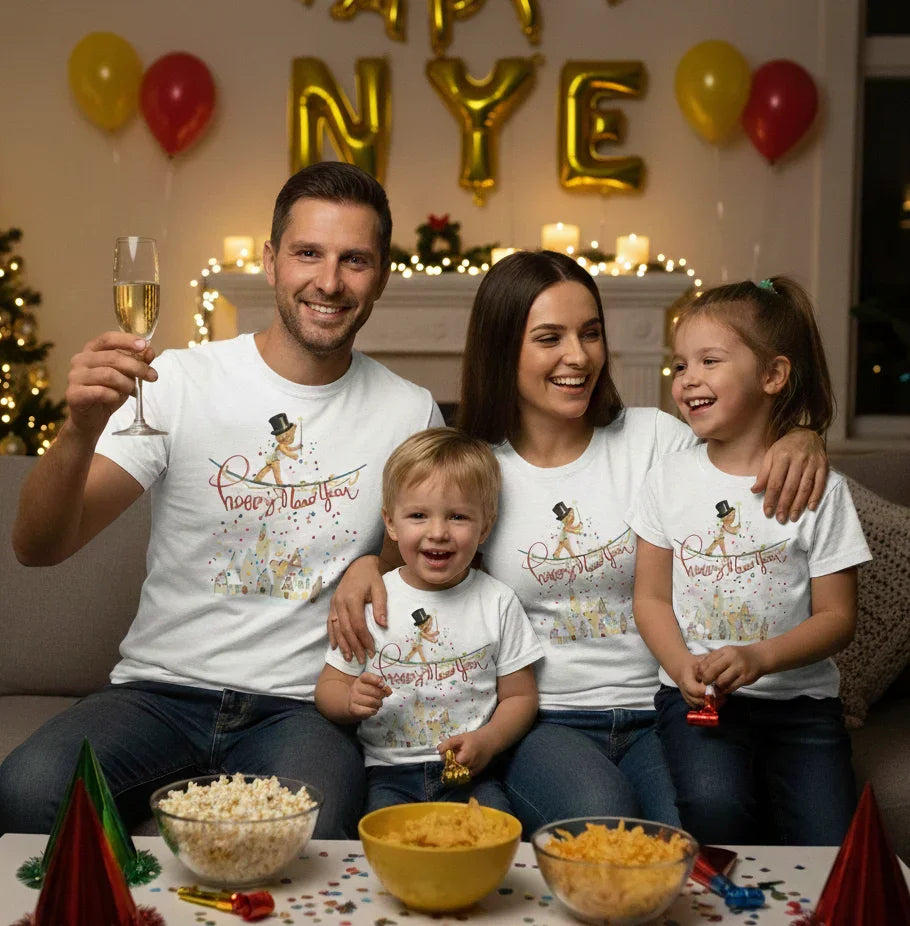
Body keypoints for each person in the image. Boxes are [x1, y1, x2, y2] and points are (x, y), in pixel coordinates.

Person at [0, 162, 443, 840]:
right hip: (159, 692)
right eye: (308, 253)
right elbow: (38, 545)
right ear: (270, 261)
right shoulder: (179, 380)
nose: (329, 280)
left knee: (315, 826)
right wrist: (79, 429)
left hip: (299, 709)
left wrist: (371, 565)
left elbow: (431, 554)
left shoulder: (409, 410)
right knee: (26, 791)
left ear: (379, 275)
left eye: (355, 260)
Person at [330, 251, 829, 838]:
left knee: (685, 838)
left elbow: (749, 470)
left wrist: (801, 435)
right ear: (502, 348)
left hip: (662, 711)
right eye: (550, 337)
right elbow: (409, 553)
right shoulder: (471, 471)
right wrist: (364, 562)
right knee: (602, 823)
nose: (579, 356)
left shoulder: (656, 440)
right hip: (545, 723)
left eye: (590, 333)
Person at [628, 277, 870, 845]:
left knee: (831, 842)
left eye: (709, 360)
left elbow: (838, 618)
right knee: (713, 806)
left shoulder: (819, 490)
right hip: (698, 699)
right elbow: (651, 596)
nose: (687, 379)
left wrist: (761, 657)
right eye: (680, 364)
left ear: (773, 375)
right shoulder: (665, 481)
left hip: (802, 706)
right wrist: (679, 663)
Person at [315, 428, 542, 813]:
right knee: (386, 848)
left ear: (485, 526)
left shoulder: (497, 601)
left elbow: (520, 696)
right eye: (418, 516)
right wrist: (349, 701)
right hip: (388, 775)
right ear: (390, 524)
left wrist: (488, 740)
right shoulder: (374, 601)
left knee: (493, 838)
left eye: (458, 517)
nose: (438, 533)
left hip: (473, 773)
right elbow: (329, 688)